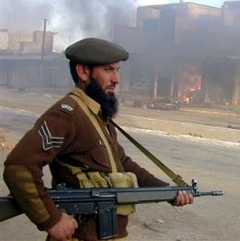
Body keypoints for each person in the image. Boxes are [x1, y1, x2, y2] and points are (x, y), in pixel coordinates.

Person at [3, 37, 193, 241]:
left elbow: (124, 164)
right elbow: (19, 167)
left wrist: (166, 190)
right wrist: (52, 220)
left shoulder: (97, 114)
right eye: (108, 70)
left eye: (117, 71)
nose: (116, 79)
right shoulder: (67, 114)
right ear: (83, 71)